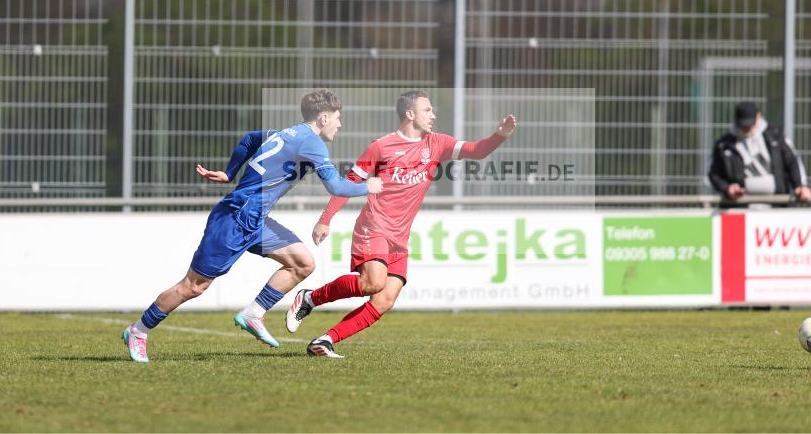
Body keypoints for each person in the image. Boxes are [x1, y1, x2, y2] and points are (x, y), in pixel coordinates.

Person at [122, 89, 382, 363]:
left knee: (302, 263)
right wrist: (368, 186)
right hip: (236, 217)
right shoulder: (313, 142)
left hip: (255, 219)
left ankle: (253, 313)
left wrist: (230, 172)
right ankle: (138, 330)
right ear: (324, 117)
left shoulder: (283, 133)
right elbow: (335, 185)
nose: (340, 125)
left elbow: (249, 140)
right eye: (338, 119)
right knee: (193, 286)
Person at [284, 90, 517, 358]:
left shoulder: (437, 143)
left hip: (399, 236)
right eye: (427, 110)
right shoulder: (381, 146)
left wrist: (499, 136)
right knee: (372, 282)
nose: (433, 115)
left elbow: (477, 151)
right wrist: (325, 220)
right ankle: (310, 298)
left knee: (384, 299)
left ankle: (324, 341)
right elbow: (351, 181)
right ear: (410, 114)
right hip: (374, 226)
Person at [707, 101, 811, 204]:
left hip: (776, 204)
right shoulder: (724, 145)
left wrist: (800, 186)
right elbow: (713, 174)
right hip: (740, 206)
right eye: (743, 125)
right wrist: (727, 188)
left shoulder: (775, 137)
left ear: (758, 117)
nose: (747, 129)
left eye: (750, 124)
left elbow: (792, 162)